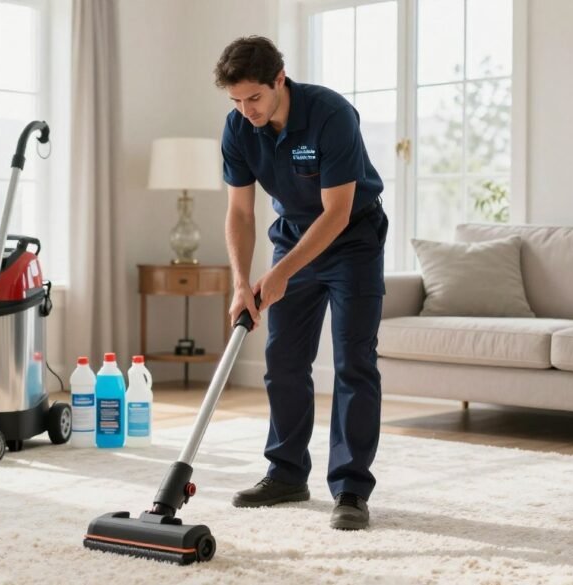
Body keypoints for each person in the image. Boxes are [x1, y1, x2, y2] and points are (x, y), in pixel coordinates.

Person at [215, 36, 388, 531]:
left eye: (254, 97)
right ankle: (287, 472)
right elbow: (240, 212)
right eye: (236, 100)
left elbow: (336, 214)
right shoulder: (238, 128)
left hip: (352, 239)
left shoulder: (330, 114)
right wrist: (241, 283)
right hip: (292, 234)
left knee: (353, 362)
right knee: (283, 359)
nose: (246, 109)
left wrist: (280, 273)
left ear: (279, 79)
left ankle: (351, 487)